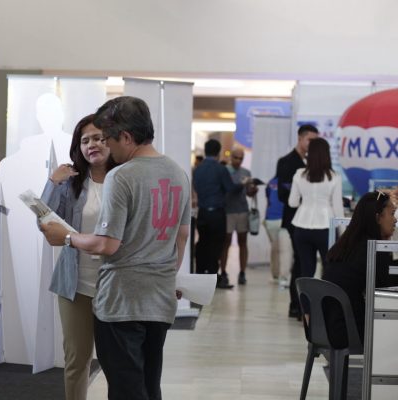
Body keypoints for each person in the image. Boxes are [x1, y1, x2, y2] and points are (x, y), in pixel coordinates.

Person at [40, 96, 191, 400]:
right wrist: (168, 276)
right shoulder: (178, 172)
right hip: (155, 299)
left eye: (105, 137)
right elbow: (182, 234)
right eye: (89, 139)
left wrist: (68, 238)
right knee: (148, 383)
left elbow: (107, 244)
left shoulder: (122, 176)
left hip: (121, 299)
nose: (100, 144)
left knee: (125, 386)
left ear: (124, 136)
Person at [40, 114, 115, 400]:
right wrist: (52, 181)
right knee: (76, 360)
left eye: (98, 138)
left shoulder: (124, 179)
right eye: (85, 140)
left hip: (115, 285)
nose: (92, 145)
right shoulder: (72, 182)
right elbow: (45, 221)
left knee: (116, 363)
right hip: (74, 285)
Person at [323, 191, 398, 348]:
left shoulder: (344, 245)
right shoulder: (372, 249)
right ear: (378, 218)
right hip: (350, 330)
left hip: (326, 327)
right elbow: (385, 289)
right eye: (391, 214)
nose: (395, 220)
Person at [276, 124, 319, 319]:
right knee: (300, 262)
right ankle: (297, 305)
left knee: (306, 263)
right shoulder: (286, 162)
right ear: (300, 138)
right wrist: (307, 199)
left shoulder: (316, 163)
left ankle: (303, 305)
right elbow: (283, 195)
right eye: (310, 139)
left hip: (315, 220)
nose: (312, 144)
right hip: (295, 220)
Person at [193, 139, 246, 289]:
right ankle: (212, 276)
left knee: (202, 242)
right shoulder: (220, 169)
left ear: (205, 150)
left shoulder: (198, 169)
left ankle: (200, 272)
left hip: (202, 213)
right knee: (216, 245)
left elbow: (196, 186)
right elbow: (230, 188)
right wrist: (243, 184)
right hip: (217, 213)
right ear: (218, 152)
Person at [289, 137, 343, 283]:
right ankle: (326, 305)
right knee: (329, 269)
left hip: (301, 226)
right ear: (327, 154)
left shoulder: (299, 174)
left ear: (309, 153)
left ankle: (304, 305)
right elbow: (338, 209)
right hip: (326, 228)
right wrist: (343, 233)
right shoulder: (335, 177)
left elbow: (292, 203)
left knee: (306, 270)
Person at [219, 147, 258, 285]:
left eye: (241, 158)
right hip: (228, 210)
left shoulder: (246, 172)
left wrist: (253, 190)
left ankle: (242, 272)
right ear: (230, 157)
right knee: (226, 242)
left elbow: (248, 193)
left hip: (242, 210)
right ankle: (223, 271)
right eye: (236, 157)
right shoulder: (224, 171)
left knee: (243, 242)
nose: (238, 160)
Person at [263, 176, 292, 286]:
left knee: (275, 248)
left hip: (270, 219)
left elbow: (269, 200)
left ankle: (275, 274)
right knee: (285, 250)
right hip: (285, 218)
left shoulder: (271, 182)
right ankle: (284, 277)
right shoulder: (290, 182)